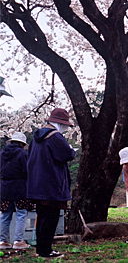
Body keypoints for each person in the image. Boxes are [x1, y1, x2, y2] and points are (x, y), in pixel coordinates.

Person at [27, 108, 76, 259]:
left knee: (42, 216)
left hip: (37, 183)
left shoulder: (36, 138)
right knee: (51, 217)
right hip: (52, 184)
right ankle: (46, 250)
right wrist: (72, 150)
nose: (66, 128)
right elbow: (66, 154)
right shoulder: (55, 137)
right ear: (60, 123)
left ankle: (41, 249)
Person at [0, 132, 31, 250]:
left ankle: (3, 241)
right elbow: (27, 170)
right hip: (20, 186)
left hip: (5, 187)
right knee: (21, 213)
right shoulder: (22, 154)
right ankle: (18, 241)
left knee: (5, 215)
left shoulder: (2, 153)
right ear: (22, 144)